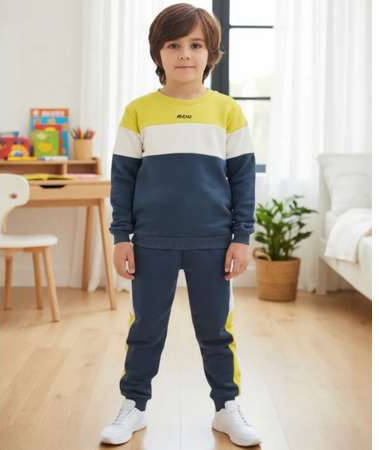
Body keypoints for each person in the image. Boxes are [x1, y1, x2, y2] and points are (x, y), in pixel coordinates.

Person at [101, 3, 262, 447]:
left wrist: (241, 238)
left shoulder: (227, 111)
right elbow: (123, 179)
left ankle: (226, 407)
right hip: (151, 242)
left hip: (213, 242)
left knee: (216, 330)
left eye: (196, 45)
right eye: (174, 45)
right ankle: (134, 405)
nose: (185, 54)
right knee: (145, 328)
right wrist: (121, 237)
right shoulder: (138, 110)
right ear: (158, 52)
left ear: (211, 53)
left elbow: (243, 179)